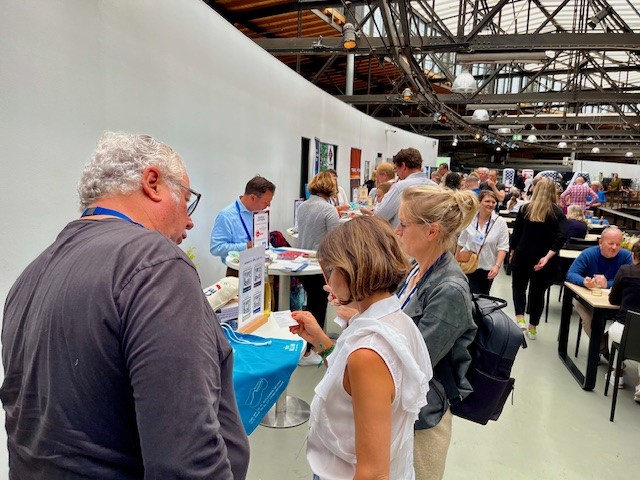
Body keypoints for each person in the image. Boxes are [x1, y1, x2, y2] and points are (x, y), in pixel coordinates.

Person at [1, 132, 250, 479]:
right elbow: (186, 461)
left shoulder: (30, 276)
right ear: (153, 183)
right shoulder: (156, 264)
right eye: (186, 201)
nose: (190, 220)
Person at [289, 216, 433, 479]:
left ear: (351, 271)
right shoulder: (395, 322)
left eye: (332, 269)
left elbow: (373, 473)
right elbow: (349, 384)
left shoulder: (368, 353)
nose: (330, 278)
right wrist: (321, 341)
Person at [396, 185, 478, 480]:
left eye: (403, 224)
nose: (397, 231)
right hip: (400, 408)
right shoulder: (416, 269)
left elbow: (416, 362)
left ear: (431, 231)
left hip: (421, 421)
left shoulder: (449, 290)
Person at [510, 177, 568, 340]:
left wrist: (512, 251)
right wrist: (548, 256)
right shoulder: (557, 212)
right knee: (538, 292)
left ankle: (520, 317)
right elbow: (562, 236)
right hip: (544, 259)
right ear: (553, 192)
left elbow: (517, 232)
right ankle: (533, 327)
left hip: (523, 254)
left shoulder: (525, 209)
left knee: (519, 287)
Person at [296, 171, 340, 365]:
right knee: (318, 305)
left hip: (302, 263)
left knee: (311, 303)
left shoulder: (303, 206)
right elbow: (335, 240)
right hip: (320, 265)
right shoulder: (329, 210)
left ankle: (308, 347)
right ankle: (312, 348)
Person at [566, 226, 633, 340]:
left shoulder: (626, 256)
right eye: (611, 243)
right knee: (590, 319)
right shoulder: (588, 254)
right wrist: (584, 281)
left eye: (618, 244)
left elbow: (631, 280)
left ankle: (606, 344)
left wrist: (608, 284)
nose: (614, 247)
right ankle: (600, 345)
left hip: (614, 300)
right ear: (600, 242)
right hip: (586, 297)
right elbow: (571, 274)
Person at [210, 175, 275, 275]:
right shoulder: (226, 216)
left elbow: (261, 241)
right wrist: (246, 246)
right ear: (253, 198)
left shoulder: (260, 213)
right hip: (238, 270)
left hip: (261, 267)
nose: (268, 206)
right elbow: (216, 248)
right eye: (266, 202)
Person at [456, 191, 510, 295]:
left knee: (483, 296)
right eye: (487, 201)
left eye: (493, 202)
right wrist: (456, 262)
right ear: (479, 202)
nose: (491, 204)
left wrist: (497, 266)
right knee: (469, 294)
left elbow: (503, 246)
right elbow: (461, 242)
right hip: (468, 264)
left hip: (487, 266)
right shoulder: (469, 219)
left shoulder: (500, 222)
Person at [369, 147, 437, 227]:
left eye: (397, 169)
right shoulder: (436, 187)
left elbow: (379, 216)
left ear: (404, 166)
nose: (397, 174)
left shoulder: (400, 187)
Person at [608, 241, 640, 395]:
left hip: (624, 328)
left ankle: (617, 373)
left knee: (612, 332)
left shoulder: (626, 271)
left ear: (634, 256)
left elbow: (613, 300)